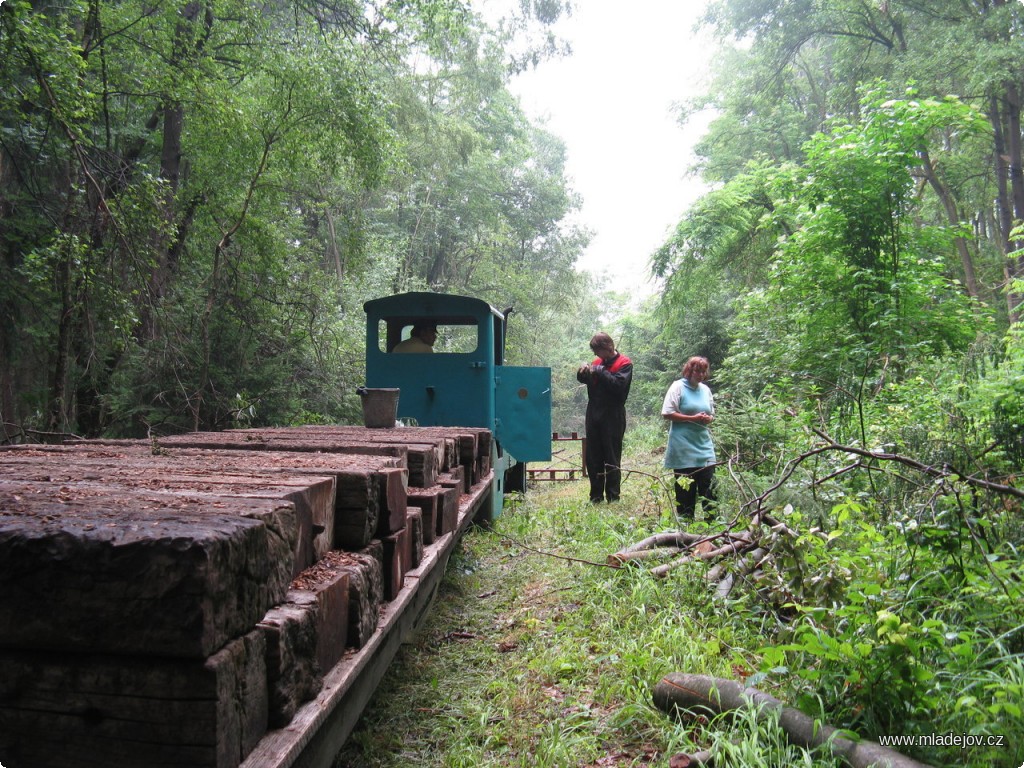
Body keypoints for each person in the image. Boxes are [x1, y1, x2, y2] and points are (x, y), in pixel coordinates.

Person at [577, 332, 633, 503]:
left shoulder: (625, 364)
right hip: (594, 411)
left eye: (597, 350)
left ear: (608, 347)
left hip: (613, 413)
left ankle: (613, 496)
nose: (595, 355)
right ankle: (595, 496)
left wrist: (600, 371)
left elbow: (618, 387)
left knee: (611, 455)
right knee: (593, 456)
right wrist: (583, 373)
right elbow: (588, 382)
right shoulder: (596, 363)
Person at [661, 356, 717, 521]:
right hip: (682, 446)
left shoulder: (705, 390)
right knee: (685, 494)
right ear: (689, 370)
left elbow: (712, 413)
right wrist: (692, 418)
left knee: (710, 490)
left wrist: (708, 419)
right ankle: (686, 529)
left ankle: (713, 528)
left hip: (704, 445)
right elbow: (667, 413)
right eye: (697, 371)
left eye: (703, 371)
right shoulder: (677, 387)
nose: (700, 374)